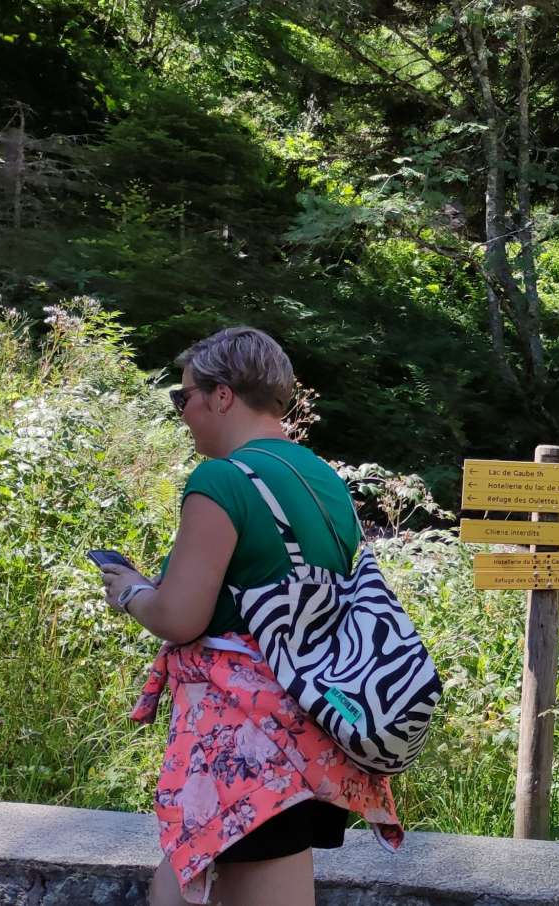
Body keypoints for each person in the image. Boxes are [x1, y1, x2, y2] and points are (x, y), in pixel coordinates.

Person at [100, 327, 402, 906]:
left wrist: (132, 591)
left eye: (184, 396)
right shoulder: (323, 480)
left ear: (222, 395)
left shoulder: (223, 480)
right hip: (314, 729)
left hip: (246, 742)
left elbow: (181, 618)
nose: (181, 411)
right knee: (187, 888)